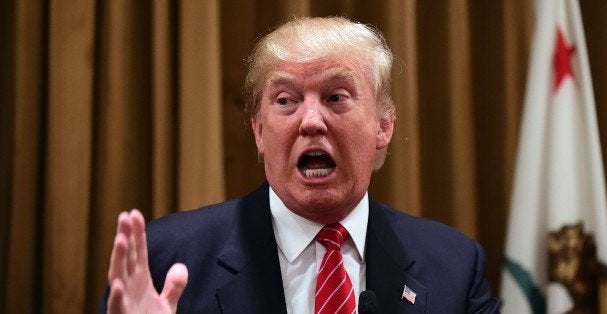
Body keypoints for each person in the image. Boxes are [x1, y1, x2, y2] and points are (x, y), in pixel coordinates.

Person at [100, 16, 500, 313]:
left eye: (336, 96)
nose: (311, 121)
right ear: (259, 131)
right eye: (285, 101)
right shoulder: (167, 258)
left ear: (383, 125)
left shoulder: (455, 267)